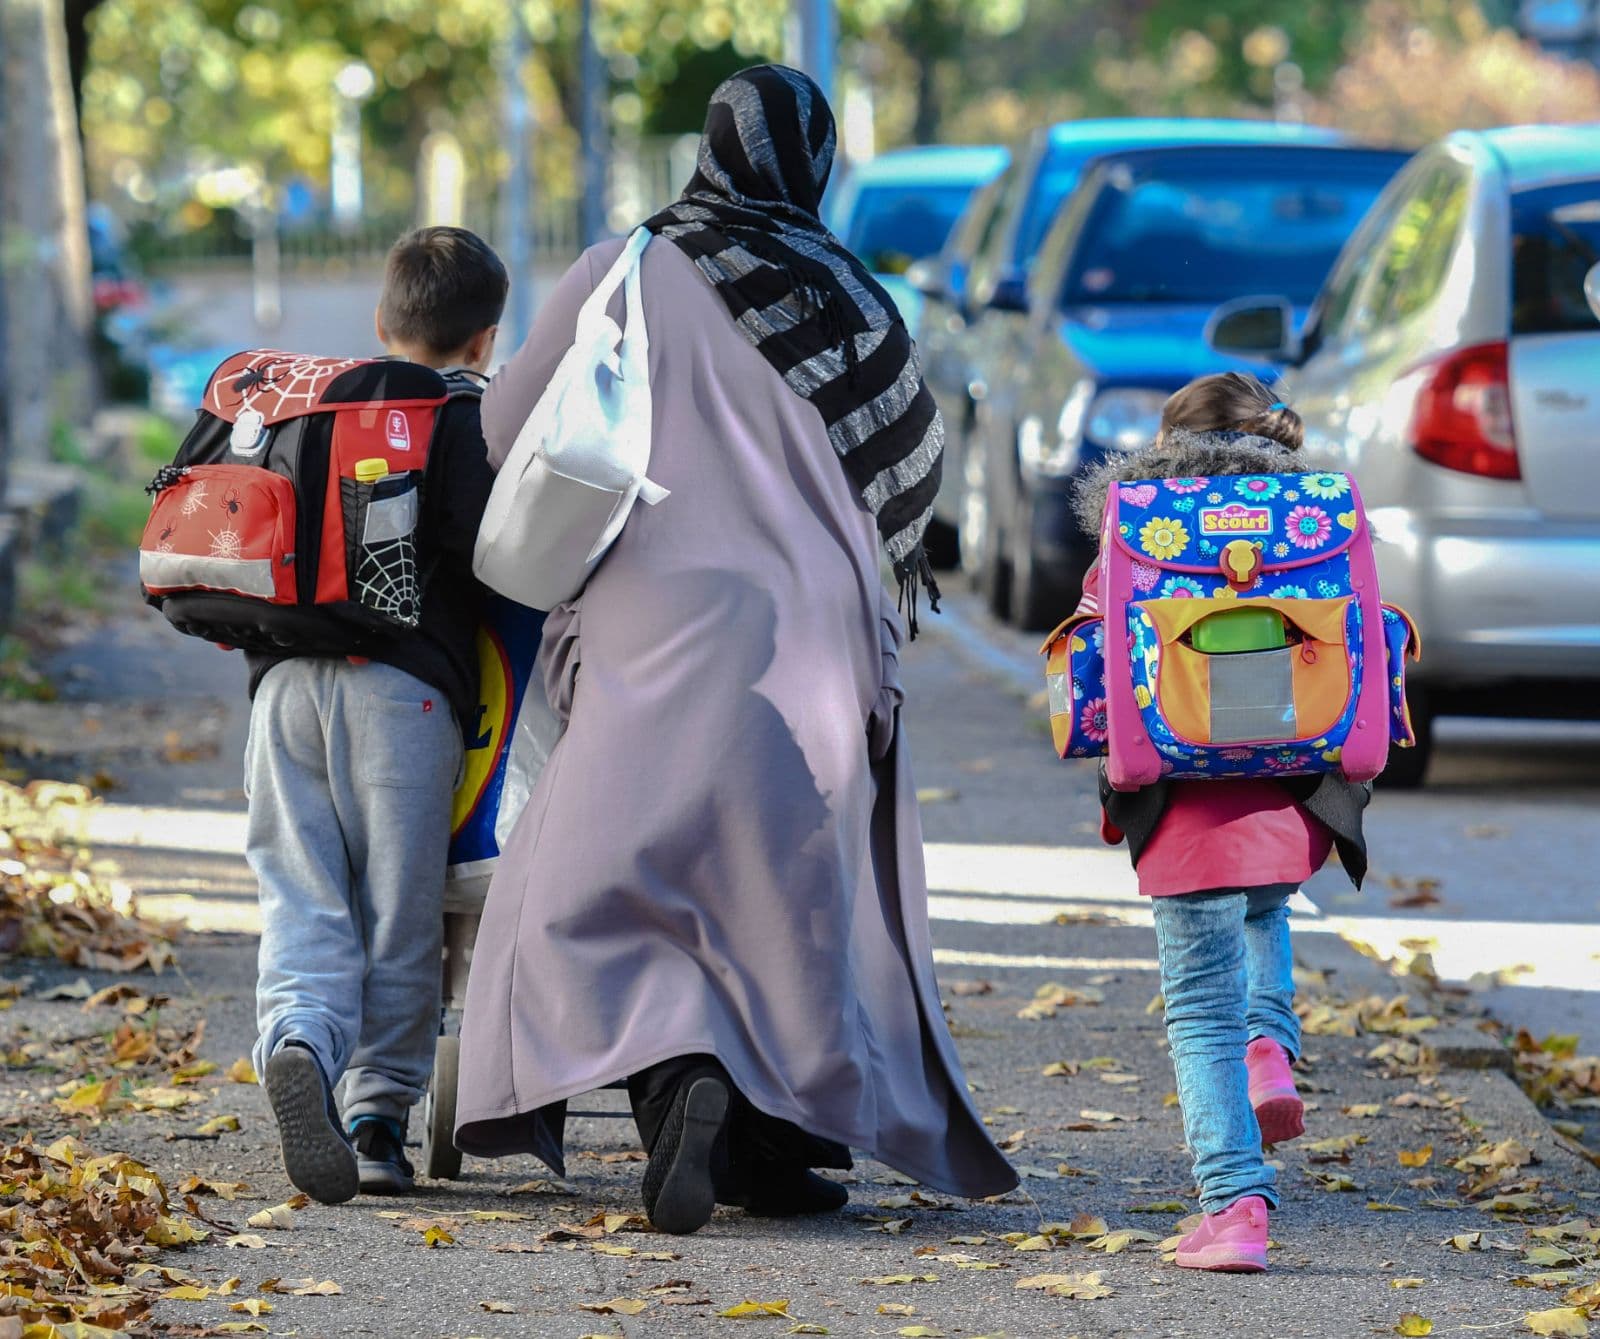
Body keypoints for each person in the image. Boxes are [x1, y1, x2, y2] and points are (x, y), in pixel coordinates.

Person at [455, 64, 1017, 1234]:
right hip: (817, 637)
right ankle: (769, 1148)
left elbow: (504, 428)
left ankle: (676, 1082)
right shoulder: (856, 297)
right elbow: (914, 484)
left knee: (589, 886)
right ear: (817, 166)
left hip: (648, 619)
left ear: (705, 150)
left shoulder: (623, 270)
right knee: (787, 898)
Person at [1070, 372, 1371, 1272]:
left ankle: (1235, 1207)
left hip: (1181, 805)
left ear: (1167, 448)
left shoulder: (1143, 531)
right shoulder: (1318, 526)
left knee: (1200, 1013)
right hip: (1290, 796)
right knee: (1266, 915)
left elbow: (1091, 658)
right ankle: (1272, 1048)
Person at [248, 226, 505, 1201]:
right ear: (483, 339)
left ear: (379, 321)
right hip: (403, 694)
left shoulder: (314, 405)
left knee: (302, 889)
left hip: (279, 688)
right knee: (401, 913)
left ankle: (302, 1040)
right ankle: (373, 1119)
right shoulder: (457, 419)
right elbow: (497, 559)